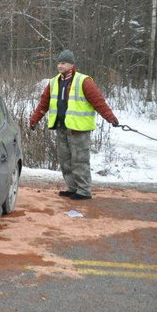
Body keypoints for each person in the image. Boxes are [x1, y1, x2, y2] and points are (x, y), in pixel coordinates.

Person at [29, 49, 119, 200]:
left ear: (71, 64)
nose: (60, 66)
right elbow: (43, 104)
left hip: (79, 129)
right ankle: (72, 188)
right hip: (61, 127)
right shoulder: (53, 82)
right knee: (65, 161)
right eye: (58, 63)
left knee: (80, 160)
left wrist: (110, 118)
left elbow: (98, 102)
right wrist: (34, 120)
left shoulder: (84, 81)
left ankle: (84, 191)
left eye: (63, 63)